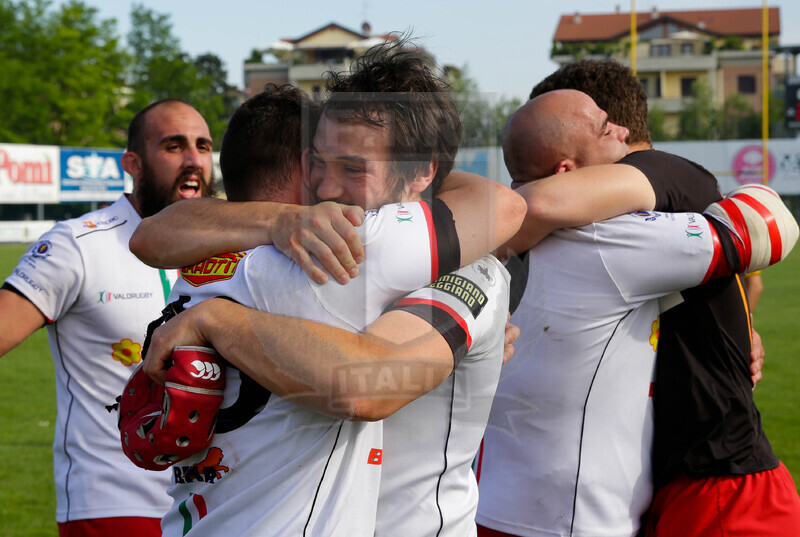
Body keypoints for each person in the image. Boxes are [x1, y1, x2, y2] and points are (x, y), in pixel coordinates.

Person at [128, 43, 524, 537]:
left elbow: (149, 235)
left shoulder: (211, 258)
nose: (329, 188)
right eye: (319, 162)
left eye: (353, 168)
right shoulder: (344, 252)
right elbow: (502, 206)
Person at [474, 89, 800, 537]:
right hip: (574, 519)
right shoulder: (607, 242)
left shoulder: (478, 239)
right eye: (607, 129)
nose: (626, 136)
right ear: (565, 174)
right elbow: (767, 225)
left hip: (485, 501)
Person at [0, 99, 215, 536]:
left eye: (203, 146)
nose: (194, 160)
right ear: (133, 163)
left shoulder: (227, 249)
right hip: (113, 505)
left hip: (212, 504)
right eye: (174, 147)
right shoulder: (76, 245)